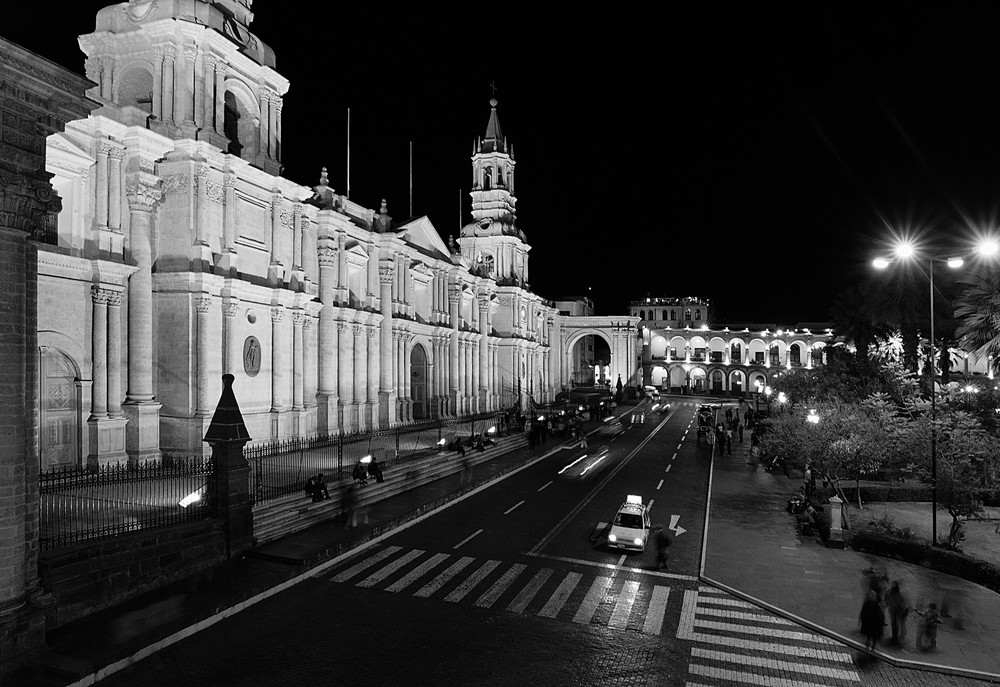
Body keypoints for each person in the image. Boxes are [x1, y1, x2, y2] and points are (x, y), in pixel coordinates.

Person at [884, 581, 909, 646]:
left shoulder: (899, 595)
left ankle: (899, 635)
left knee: (899, 623)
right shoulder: (889, 593)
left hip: (898, 611)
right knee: (894, 623)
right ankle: (895, 636)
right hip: (893, 611)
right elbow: (886, 600)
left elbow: (903, 603)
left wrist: (903, 609)